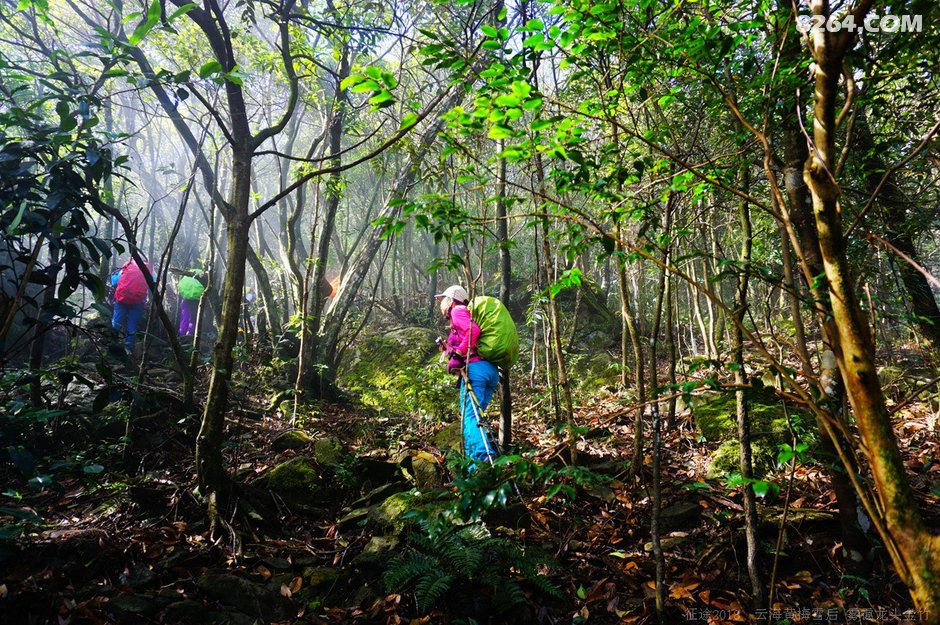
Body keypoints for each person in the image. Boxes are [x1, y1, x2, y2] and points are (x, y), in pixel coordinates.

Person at [436, 284, 499, 463]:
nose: (440, 304)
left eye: (442, 300)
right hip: (490, 371)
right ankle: (477, 463)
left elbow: (474, 331)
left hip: (476, 370)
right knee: (476, 418)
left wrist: (459, 353)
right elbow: (467, 338)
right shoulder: (461, 316)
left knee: (470, 417)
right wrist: (449, 349)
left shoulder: (458, 311)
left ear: (451, 299)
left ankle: (484, 458)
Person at [111, 257, 152, 352]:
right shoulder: (147, 269)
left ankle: (112, 342)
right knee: (132, 324)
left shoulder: (128, 266)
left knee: (117, 321)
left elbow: (114, 282)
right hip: (138, 302)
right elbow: (152, 283)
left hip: (122, 299)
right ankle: (128, 348)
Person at [176, 273, 205, 337]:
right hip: (194, 304)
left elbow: (181, 290)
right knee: (193, 319)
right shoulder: (198, 286)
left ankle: (182, 334)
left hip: (185, 303)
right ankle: (190, 334)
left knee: (184, 319)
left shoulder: (186, 282)